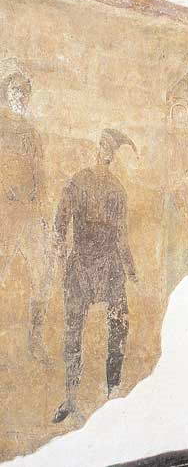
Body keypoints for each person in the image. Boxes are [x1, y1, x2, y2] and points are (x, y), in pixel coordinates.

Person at [52, 129, 138, 423]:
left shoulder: (117, 189)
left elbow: (121, 235)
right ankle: (70, 397)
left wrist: (131, 269)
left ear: (113, 156)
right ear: (96, 149)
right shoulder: (78, 181)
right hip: (81, 264)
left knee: (119, 323)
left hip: (109, 264)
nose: (105, 153)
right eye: (102, 146)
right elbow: (61, 220)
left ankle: (113, 391)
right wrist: (60, 252)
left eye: (110, 150)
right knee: (73, 328)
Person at [0, 62, 53, 364]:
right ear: (5, 93)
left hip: (30, 215)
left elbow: (40, 177)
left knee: (43, 272)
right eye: (14, 90)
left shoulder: (32, 133)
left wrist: (42, 216)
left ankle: (35, 340)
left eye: (24, 91)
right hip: (5, 215)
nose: (20, 95)